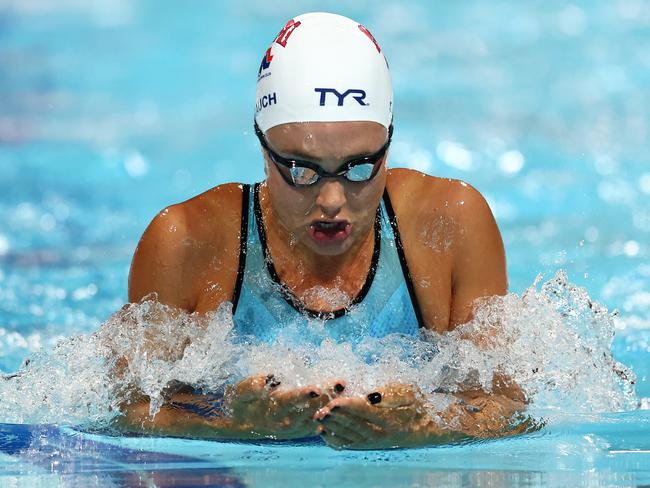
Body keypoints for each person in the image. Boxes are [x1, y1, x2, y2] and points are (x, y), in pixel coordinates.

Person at [118, 12, 527, 449]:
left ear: (388, 145)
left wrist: (426, 424)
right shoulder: (187, 241)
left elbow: (509, 407)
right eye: (301, 170)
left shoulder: (449, 225)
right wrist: (228, 420)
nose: (332, 200)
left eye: (360, 168)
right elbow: (127, 409)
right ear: (262, 145)